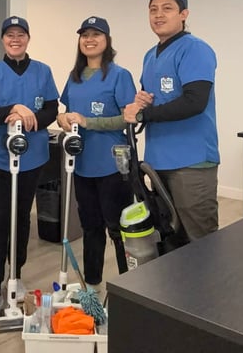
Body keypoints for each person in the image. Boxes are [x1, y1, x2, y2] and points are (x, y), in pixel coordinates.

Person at [123, 0, 219, 249]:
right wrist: (141, 103)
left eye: (167, 8)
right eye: (153, 9)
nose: (158, 15)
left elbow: (194, 102)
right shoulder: (150, 55)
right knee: (170, 236)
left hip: (191, 162)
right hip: (159, 161)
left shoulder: (195, 49)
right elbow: (152, 99)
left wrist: (144, 116)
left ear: (184, 14)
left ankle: (208, 292)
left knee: (201, 240)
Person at [0, 16, 59, 321]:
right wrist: (13, 110)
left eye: (20, 34)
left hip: (33, 156)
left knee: (22, 218)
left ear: (28, 38)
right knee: (0, 220)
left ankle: (16, 274)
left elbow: (51, 109)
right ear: (2, 40)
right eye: (9, 35)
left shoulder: (42, 71)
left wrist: (32, 116)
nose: (15, 39)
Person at [56, 16, 136, 288]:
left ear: (107, 40)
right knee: (91, 227)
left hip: (113, 164)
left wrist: (89, 122)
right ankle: (92, 284)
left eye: (96, 35)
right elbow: (66, 114)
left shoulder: (119, 75)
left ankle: (130, 286)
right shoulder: (74, 77)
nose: (89, 40)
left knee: (118, 229)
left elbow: (129, 118)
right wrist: (63, 120)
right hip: (82, 164)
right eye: (84, 35)